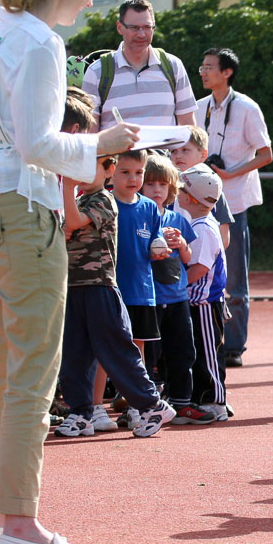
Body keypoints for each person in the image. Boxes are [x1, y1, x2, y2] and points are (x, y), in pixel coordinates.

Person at [0, 0, 139, 544]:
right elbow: (38, 145)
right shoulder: (39, 41)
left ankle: (9, 519)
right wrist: (104, 145)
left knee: (9, 371)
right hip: (20, 209)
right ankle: (18, 525)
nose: (90, 3)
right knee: (30, 372)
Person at [55, 90, 175, 439]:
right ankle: (81, 412)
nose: (77, 170)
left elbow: (74, 222)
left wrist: (66, 187)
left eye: (87, 163)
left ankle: (152, 405)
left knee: (116, 350)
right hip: (74, 287)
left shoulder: (103, 200)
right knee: (74, 354)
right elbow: (63, 232)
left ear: (108, 170)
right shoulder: (78, 196)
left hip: (100, 289)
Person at [195, 47, 273, 368]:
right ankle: (205, 338)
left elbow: (266, 154)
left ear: (227, 72)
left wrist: (230, 173)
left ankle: (234, 346)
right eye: (202, 66)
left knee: (235, 276)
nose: (203, 71)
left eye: (209, 66)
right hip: (198, 202)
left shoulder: (246, 108)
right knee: (199, 268)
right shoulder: (198, 108)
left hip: (234, 199)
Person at [141, 153, 217, 425]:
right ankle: (144, 404)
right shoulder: (137, 217)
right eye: (150, 184)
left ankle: (182, 403)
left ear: (171, 188)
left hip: (177, 297)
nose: (157, 190)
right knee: (149, 355)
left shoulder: (178, 218)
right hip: (147, 297)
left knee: (183, 350)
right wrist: (153, 249)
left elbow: (188, 260)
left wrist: (182, 245)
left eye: (162, 185)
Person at [107, 150, 168, 429]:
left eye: (139, 173)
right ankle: (95, 406)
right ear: (111, 171)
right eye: (125, 172)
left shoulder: (149, 208)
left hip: (142, 291)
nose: (133, 179)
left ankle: (137, 407)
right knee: (104, 348)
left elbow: (153, 241)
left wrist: (159, 250)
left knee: (137, 349)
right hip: (109, 289)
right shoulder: (105, 203)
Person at [81, 0, 197, 129]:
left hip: (164, 150)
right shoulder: (97, 72)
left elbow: (188, 124)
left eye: (147, 27)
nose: (141, 34)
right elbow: (90, 131)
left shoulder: (173, 66)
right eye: (134, 28)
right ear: (120, 27)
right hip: (117, 150)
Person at [177, 164, 230, 421]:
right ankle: (202, 397)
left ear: (189, 198)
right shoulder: (201, 222)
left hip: (206, 302)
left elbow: (200, 267)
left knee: (209, 353)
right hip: (198, 302)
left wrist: (177, 284)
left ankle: (216, 401)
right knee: (198, 351)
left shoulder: (203, 228)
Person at [168, 126, 234, 248]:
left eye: (185, 150)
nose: (178, 156)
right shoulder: (165, 188)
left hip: (202, 263)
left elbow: (224, 236)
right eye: (174, 151)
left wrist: (205, 259)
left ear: (203, 155)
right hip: (174, 260)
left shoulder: (212, 188)